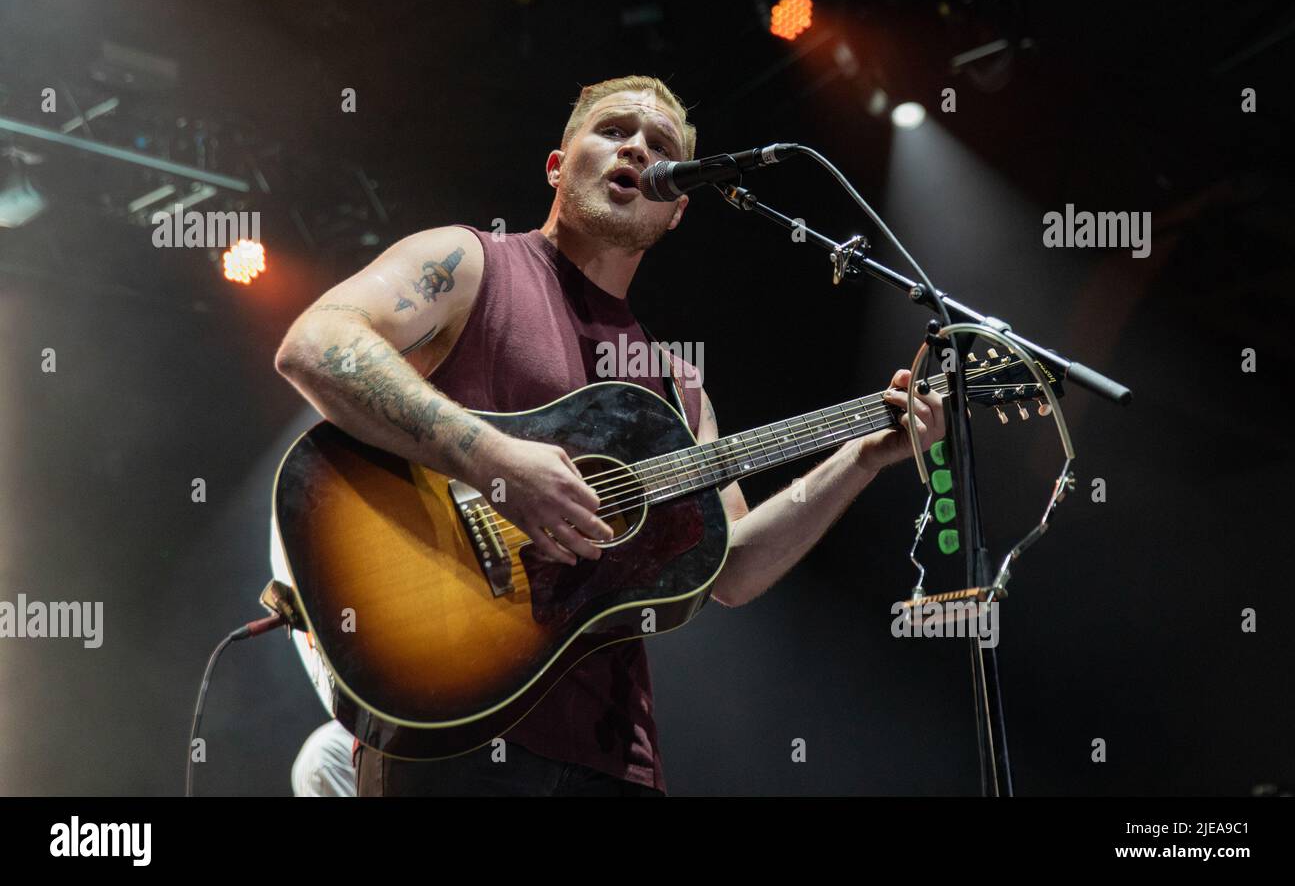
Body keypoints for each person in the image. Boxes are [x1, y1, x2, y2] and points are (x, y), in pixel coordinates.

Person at [273, 75, 944, 796]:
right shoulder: (471, 265)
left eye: (660, 146)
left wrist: (864, 456)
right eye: (614, 130)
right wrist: (495, 457)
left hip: (615, 759)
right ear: (559, 166)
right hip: (452, 731)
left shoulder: (681, 387)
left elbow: (736, 567)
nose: (637, 148)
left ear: (676, 210)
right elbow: (316, 344)